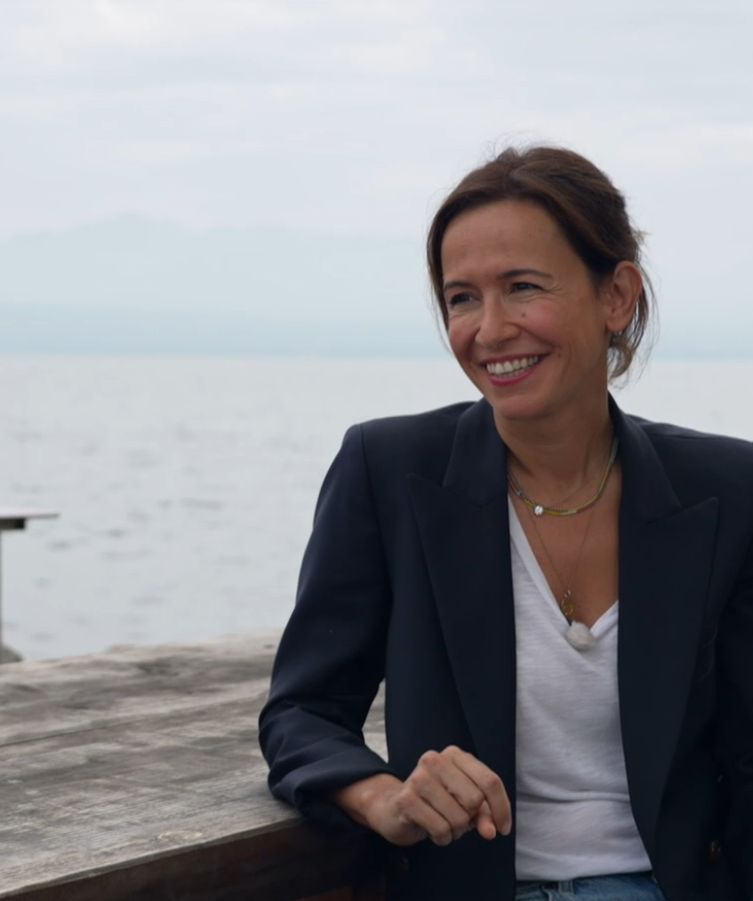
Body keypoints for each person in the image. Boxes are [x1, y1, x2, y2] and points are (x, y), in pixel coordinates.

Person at [258, 146, 753, 900]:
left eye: (522, 287)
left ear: (616, 295)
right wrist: (382, 797)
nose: (489, 330)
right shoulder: (387, 469)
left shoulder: (728, 488)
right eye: (461, 298)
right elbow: (302, 710)